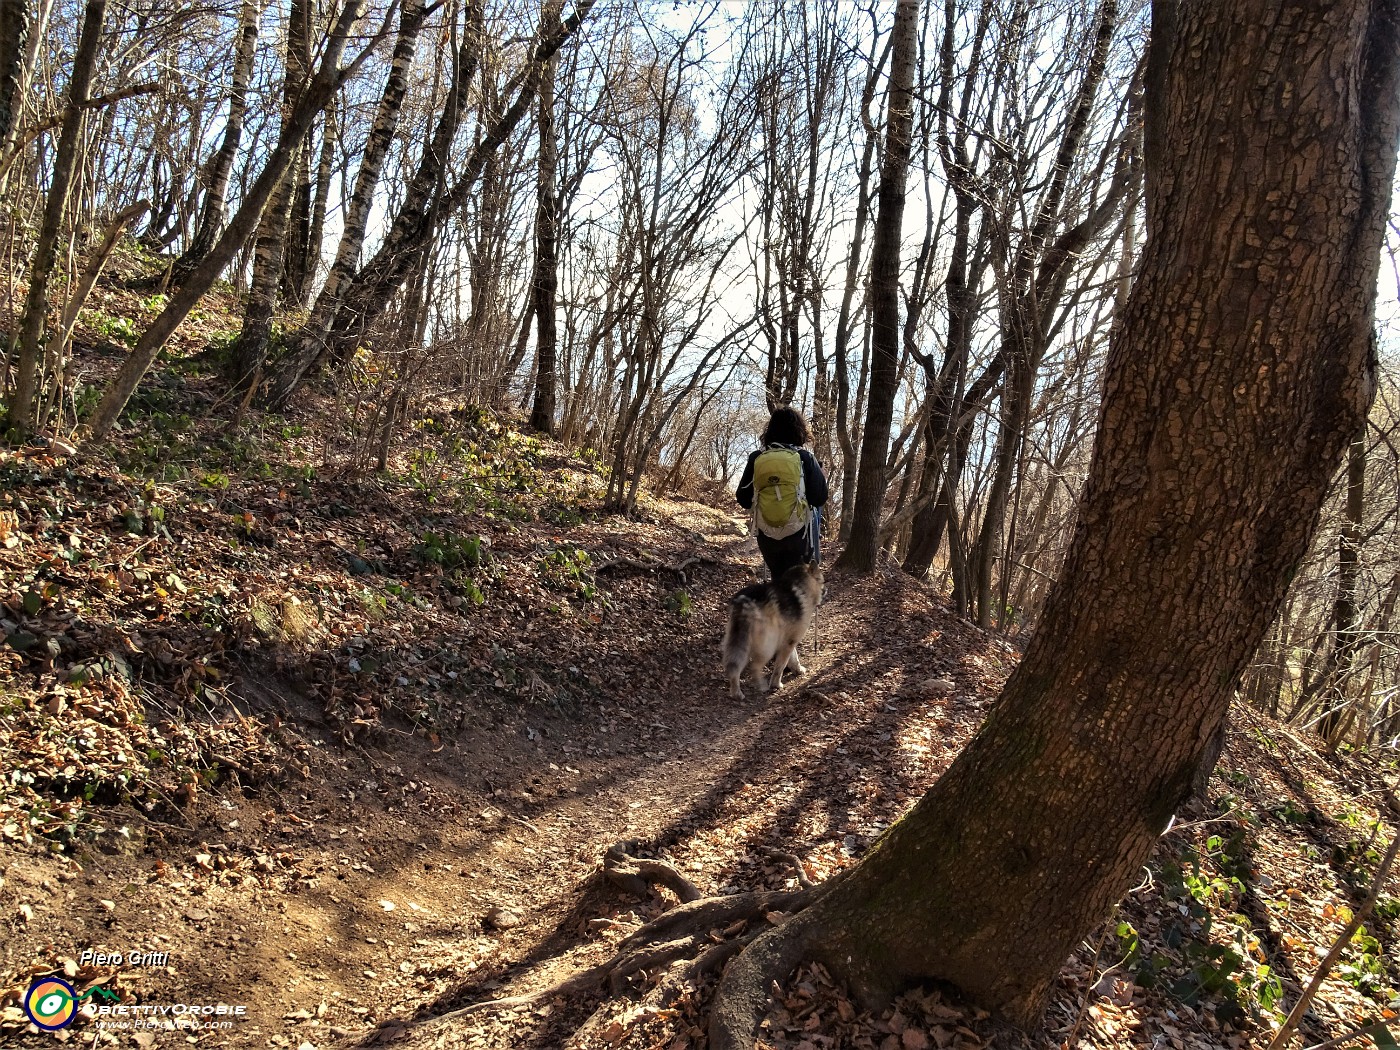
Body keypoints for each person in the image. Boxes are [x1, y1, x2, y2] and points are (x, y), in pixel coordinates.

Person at [736, 406, 828, 581]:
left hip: (767, 535)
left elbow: (743, 499)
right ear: (799, 430)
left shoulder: (757, 457)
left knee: (779, 585)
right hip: (799, 535)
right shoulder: (805, 457)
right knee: (799, 588)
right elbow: (819, 498)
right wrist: (821, 479)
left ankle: (778, 607)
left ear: (769, 431)